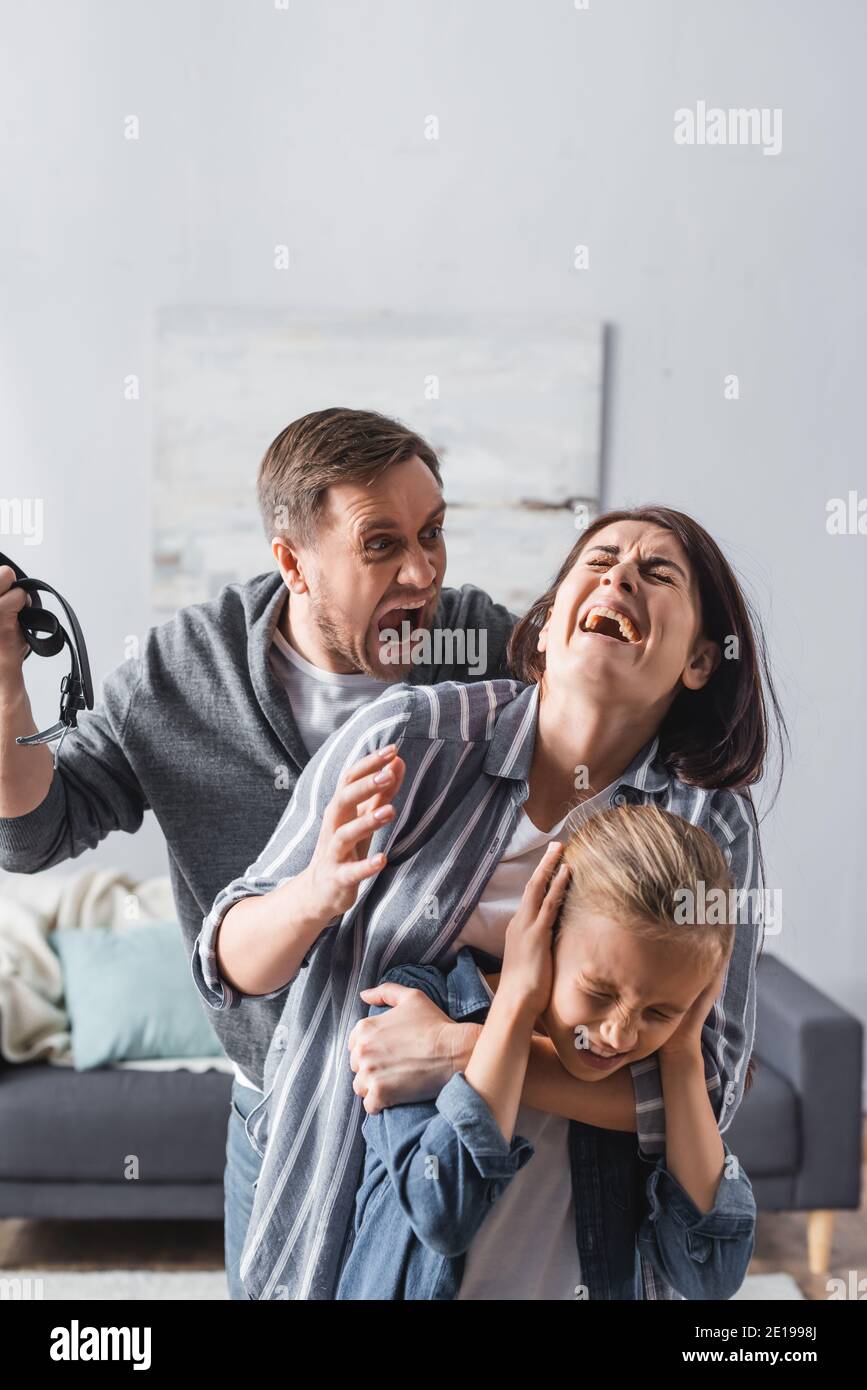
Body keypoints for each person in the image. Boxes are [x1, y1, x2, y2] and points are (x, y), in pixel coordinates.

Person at [195, 503, 784, 1300]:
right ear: (545, 627)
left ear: (699, 662)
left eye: (656, 574)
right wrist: (313, 894)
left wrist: (454, 1052)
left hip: (574, 1236)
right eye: (600, 561)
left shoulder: (708, 823)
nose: (619, 578)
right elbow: (229, 965)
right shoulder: (407, 737)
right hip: (346, 1182)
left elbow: (699, 1095)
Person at [0, 407, 516, 1299]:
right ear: (293, 561)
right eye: (381, 544)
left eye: (432, 534)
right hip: (274, 1112)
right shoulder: (181, 671)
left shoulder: (479, 644)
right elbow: (37, 829)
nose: (423, 571)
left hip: (447, 1101)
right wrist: (5, 693)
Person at [336, 805, 757, 1300]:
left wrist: (684, 1052)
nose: (620, 1036)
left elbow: (709, 1276)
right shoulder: (422, 1009)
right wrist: (515, 1000)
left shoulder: (647, 1077)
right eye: (599, 994)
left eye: (659, 1013)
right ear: (546, 929)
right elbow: (441, 1210)